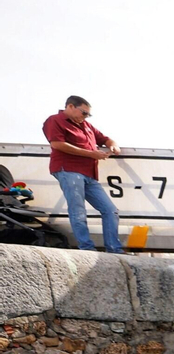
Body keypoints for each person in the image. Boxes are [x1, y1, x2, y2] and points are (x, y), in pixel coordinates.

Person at [42, 96, 124, 253]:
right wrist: (91, 154)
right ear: (71, 106)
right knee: (78, 209)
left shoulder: (87, 126)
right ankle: (87, 248)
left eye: (88, 114)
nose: (86, 116)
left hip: (89, 174)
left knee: (110, 210)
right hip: (69, 170)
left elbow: (105, 139)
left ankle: (114, 248)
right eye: (84, 113)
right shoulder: (55, 120)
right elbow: (57, 144)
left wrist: (114, 146)